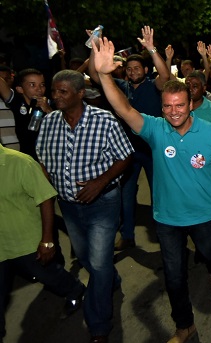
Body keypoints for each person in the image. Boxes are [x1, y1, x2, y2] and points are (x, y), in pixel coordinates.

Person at [93, 37, 211, 343]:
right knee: (174, 278)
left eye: (180, 105)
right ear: (162, 107)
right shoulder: (156, 129)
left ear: (191, 105)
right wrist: (104, 74)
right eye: (168, 106)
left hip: (205, 214)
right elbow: (122, 108)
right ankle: (185, 326)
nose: (174, 111)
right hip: (167, 219)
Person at [36, 69, 134, 343]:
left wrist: (100, 182)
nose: (55, 96)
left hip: (102, 203)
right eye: (54, 91)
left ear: (81, 93)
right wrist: (47, 192)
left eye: (62, 91)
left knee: (99, 264)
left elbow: (125, 157)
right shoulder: (49, 122)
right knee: (86, 257)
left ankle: (99, 325)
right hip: (68, 206)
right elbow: (43, 160)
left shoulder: (104, 121)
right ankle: (111, 281)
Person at [88, 26, 170, 251]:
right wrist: (94, 46)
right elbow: (95, 75)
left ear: (145, 69)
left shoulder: (155, 86)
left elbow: (165, 76)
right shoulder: (122, 88)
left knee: (159, 192)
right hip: (127, 151)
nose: (133, 71)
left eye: (137, 68)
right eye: (129, 69)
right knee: (126, 194)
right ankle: (127, 235)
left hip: (153, 150)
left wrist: (151, 49)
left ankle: (164, 232)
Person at [0, 145, 86, 340]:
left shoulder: (20, 162)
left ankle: (75, 289)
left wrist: (47, 241)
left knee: (50, 276)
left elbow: (46, 199)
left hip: (25, 242)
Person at [0, 68, 54, 160]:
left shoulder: (51, 104)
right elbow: (2, 86)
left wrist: (49, 110)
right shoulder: (17, 102)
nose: (39, 89)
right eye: (33, 85)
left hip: (48, 157)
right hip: (26, 158)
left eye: (42, 85)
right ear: (20, 89)